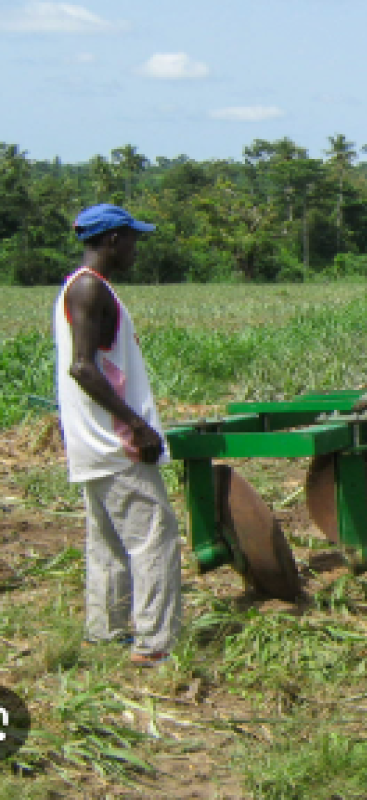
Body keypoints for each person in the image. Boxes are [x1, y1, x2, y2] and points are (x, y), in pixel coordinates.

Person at [54, 204, 182, 667]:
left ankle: (103, 633)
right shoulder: (90, 289)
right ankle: (154, 644)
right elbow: (83, 367)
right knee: (154, 537)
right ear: (112, 240)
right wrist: (138, 425)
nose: (135, 248)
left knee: (107, 540)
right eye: (131, 239)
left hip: (93, 443)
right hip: (116, 442)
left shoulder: (79, 287)